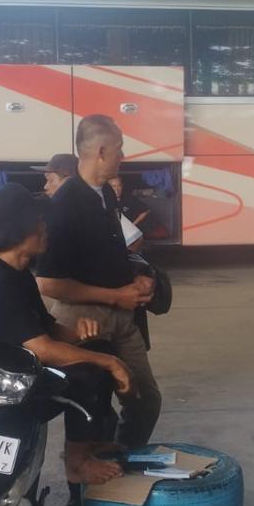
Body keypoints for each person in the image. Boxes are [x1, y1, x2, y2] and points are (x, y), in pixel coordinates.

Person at [0, 183, 133, 487]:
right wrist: (110, 363)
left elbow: (48, 328)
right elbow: (43, 348)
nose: (44, 226)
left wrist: (80, 333)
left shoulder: (18, 273)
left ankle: (89, 442)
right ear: (17, 230)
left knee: (102, 349)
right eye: (38, 221)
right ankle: (76, 463)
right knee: (87, 373)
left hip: (16, 372)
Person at [35, 115, 162, 450]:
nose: (123, 156)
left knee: (145, 401)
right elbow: (48, 284)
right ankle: (91, 477)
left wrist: (137, 276)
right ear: (102, 152)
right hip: (83, 321)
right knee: (94, 407)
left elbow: (112, 251)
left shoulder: (105, 192)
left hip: (122, 316)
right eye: (119, 149)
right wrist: (116, 296)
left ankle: (122, 459)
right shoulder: (64, 205)